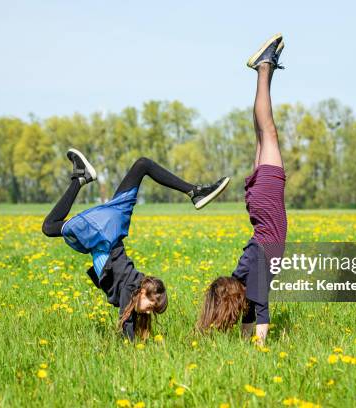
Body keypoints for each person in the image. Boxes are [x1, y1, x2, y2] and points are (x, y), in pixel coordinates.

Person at [42, 150, 230, 340]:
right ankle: (80, 179)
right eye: (151, 306)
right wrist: (130, 347)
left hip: (114, 225)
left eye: (152, 310)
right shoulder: (131, 286)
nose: (149, 312)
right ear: (142, 292)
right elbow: (126, 322)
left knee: (142, 165)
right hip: (104, 233)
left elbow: (130, 315)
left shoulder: (133, 287)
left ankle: (195, 192)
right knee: (49, 227)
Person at [197, 33, 287, 345]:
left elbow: (259, 310)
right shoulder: (241, 277)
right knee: (262, 134)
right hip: (258, 208)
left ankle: (264, 68)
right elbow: (252, 311)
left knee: (268, 133)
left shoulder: (254, 279)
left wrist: (258, 346)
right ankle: (267, 69)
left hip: (267, 203)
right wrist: (250, 336)